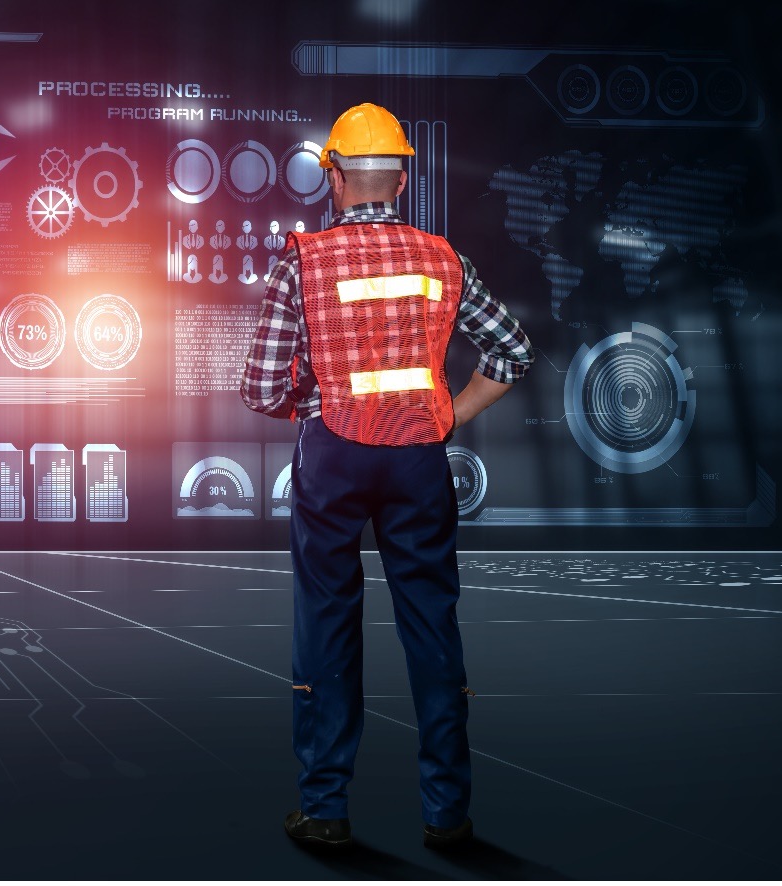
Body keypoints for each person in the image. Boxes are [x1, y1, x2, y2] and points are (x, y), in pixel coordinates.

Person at [239, 103, 533, 851]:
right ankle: (448, 814)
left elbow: (264, 390)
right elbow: (512, 354)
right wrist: (446, 414)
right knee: (432, 625)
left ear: (333, 176)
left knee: (327, 626)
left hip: (331, 455)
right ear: (401, 177)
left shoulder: (301, 260)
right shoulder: (443, 257)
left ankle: (327, 809)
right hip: (418, 459)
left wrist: (316, 395)